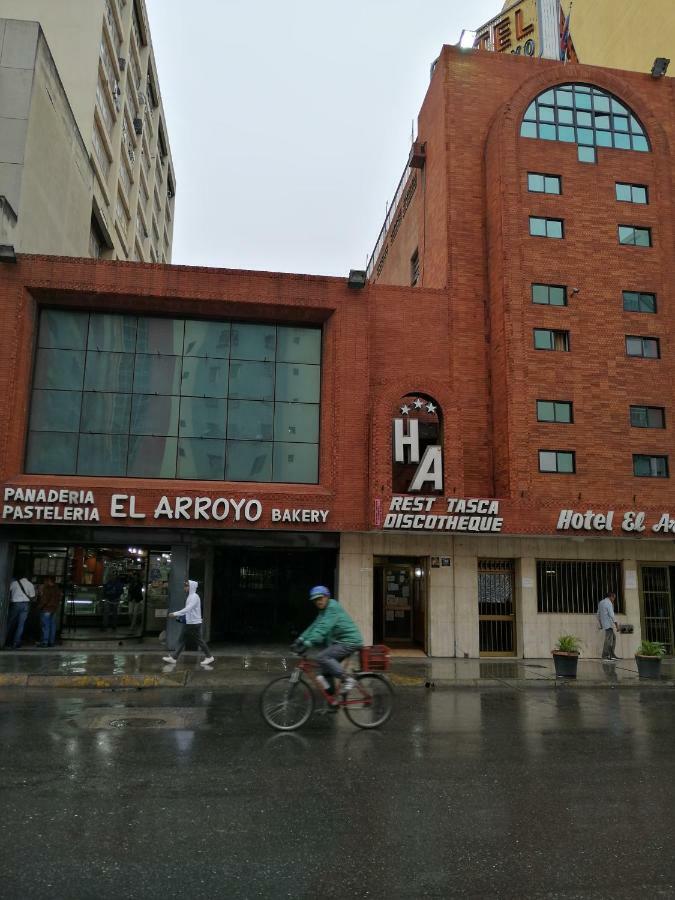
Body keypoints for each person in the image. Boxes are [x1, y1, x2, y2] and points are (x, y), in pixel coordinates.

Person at [292, 585, 363, 694]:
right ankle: (332, 703)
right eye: (315, 600)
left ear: (327, 597)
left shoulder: (332, 608)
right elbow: (314, 625)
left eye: (320, 598)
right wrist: (300, 639)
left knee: (322, 657)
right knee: (324, 673)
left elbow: (323, 628)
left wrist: (307, 643)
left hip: (350, 641)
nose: (318, 602)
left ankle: (348, 679)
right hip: (340, 641)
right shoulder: (323, 611)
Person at [163, 579, 214, 667]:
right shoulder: (191, 596)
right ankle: (174, 657)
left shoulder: (194, 597)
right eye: (185, 586)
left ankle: (209, 657)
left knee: (196, 640)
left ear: (191, 587)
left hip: (193, 623)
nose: (185, 587)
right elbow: (188, 611)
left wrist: (175, 614)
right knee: (183, 639)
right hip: (190, 622)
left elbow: (188, 609)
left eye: (187, 586)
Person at [5, 573, 36, 649]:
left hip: (15, 604)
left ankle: (6, 640)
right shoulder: (30, 584)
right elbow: (32, 596)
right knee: (21, 624)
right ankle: (16, 642)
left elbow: (7, 591)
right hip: (25, 604)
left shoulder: (14, 583)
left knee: (10, 622)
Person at [36, 575, 62, 647]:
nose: (45, 582)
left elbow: (44, 600)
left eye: (46, 580)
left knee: (45, 626)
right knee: (52, 626)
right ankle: (51, 642)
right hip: (54, 609)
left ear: (49, 580)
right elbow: (59, 598)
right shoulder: (57, 588)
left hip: (47, 609)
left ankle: (45, 642)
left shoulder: (47, 588)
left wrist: (39, 607)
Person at [597, 591, 620, 660]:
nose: (614, 599)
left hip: (605, 624)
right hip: (608, 624)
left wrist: (601, 623)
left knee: (613, 638)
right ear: (611, 597)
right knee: (608, 640)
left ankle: (611, 654)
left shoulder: (601, 602)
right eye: (614, 598)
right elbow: (612, 615)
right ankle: (605, 655)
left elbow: (598, 614)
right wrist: (617, 625)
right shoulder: (609, 603)